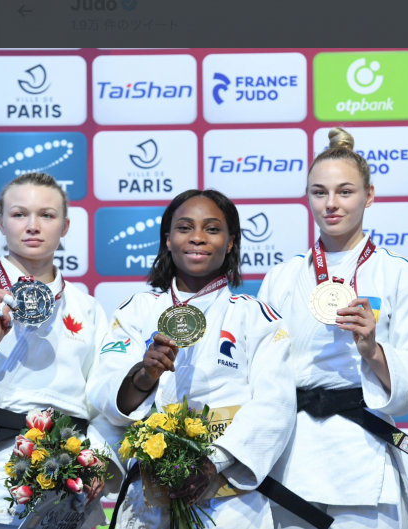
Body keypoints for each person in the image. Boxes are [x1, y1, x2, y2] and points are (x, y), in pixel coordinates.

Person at [259, 127, 408, 529]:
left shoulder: (400, 274)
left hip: (362, 453)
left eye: (345, 192)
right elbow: (262, 371)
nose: (331, 204)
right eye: (319, 192)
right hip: (292, 454)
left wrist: (373, 351)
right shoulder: (282, 277)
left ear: (369, 195)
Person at [87, 189, 298, 529]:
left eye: (212, 229)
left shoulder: (256, 317)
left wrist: (214, 461)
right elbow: (103, 392)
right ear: (167, 239)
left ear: (230, 242)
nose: (197, 237)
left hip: (228, 501)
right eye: (185, 228)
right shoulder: (136, 311)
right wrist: (143, 377)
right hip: (146, 498)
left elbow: (275, 404)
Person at [0, 172, 121, 529]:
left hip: (69, 473)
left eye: (47, 215)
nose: (33, 226)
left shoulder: (88, 307)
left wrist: (96, 458)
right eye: (19, 214)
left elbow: (103, 401)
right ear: (0, 222)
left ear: (65, 226)